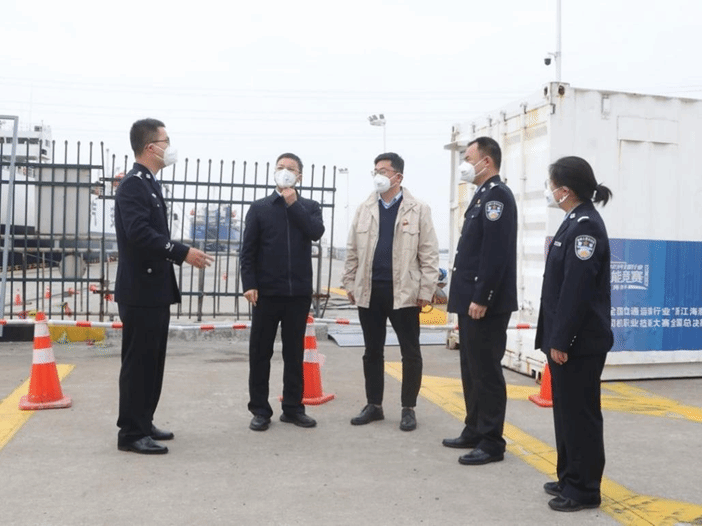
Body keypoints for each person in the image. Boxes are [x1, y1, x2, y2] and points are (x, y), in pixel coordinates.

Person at [115, 118, 213, 454]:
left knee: (153, 362)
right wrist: (183, 252)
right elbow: (140, 233)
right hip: (139, 290)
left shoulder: (150, 184)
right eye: (165, 141)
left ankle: (144, 421)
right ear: (150, 147)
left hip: (153, 289)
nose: (170, 147)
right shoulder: (133, 185)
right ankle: (131, 433)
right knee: (139, 363)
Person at [535, 156, 613, 512]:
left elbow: (576, 290)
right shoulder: (573, 221)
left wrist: (561, 340)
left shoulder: (586, 228)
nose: (550, 191)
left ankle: (584, 489)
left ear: (565, 190)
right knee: (566, 413)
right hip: (568, 338)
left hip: (580, 342)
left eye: (551, 185)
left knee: (580, 416)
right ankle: (569, 476)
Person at [343, 152, 439, 431]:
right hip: (370, 291)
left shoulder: (418, 209)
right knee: (372, 351)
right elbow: (352, 250)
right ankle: (374, 405)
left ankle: (408, 408)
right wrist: (350, 282)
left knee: (411, 352)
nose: (378, 176)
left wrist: (426, 289)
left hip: (405, 293)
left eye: (383, 171)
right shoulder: (365, 208)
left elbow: (429, 253)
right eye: (375, 171)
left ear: (398, 176)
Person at [443, 137, 517, 465]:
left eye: (469, 158)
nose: (465, 164)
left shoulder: (497, 196)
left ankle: (491, 441)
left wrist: (482, 296)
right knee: (471, 368)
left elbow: (495, 252)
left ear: (486, 161)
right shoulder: (481, 195)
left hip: (485, 303)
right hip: (469, 299)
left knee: (486, 371)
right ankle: (473, 428)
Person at [240, 153, 325, 431]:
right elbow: (248, 250)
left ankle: (293, 408)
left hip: (297, 293)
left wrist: (293, 203)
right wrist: (249, 283)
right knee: (260, 352)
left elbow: (315, 232)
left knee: (294, 353)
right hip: (266, 293)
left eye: (291, 168)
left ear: (299, 176)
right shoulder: (260, 208)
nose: (285, 172)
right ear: (274, 172)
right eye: (280, 167)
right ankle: (260, 410)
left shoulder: (310, 206)